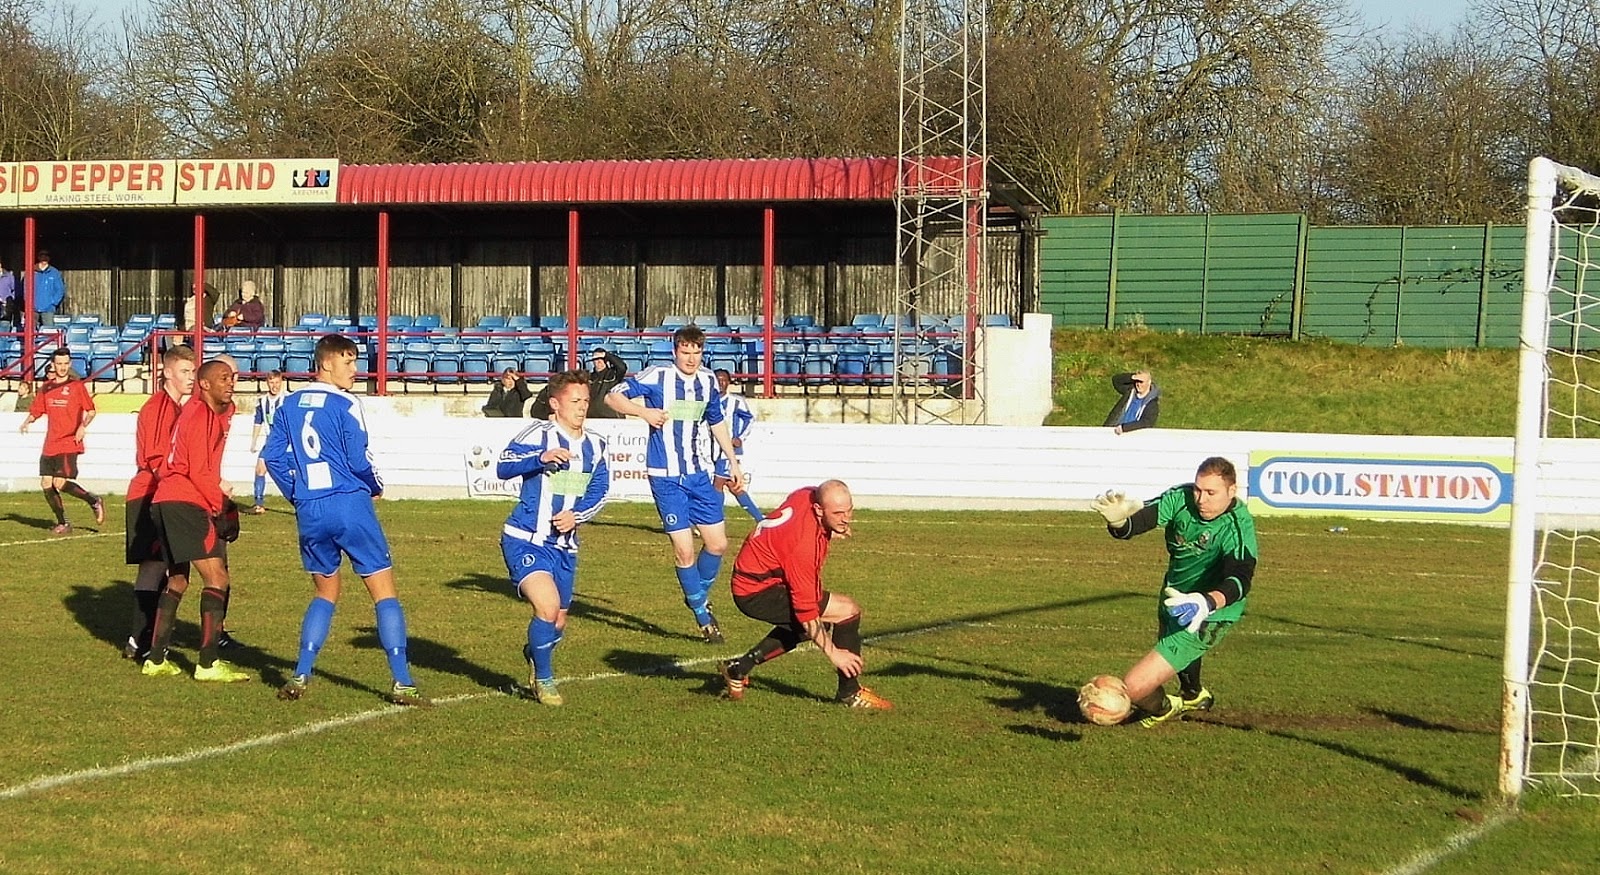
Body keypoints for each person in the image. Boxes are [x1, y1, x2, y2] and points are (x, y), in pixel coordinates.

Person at [262, 333, 429, 705]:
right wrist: (374, 485)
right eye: (348, 362)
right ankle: (402, 681)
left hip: (310, 509)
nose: (356, 369)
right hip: (348, 503)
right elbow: (357, 459)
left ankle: (302, 673)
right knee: (384, 592)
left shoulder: (287, 404)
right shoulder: (347, 403)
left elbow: (273, 458)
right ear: (326, 364)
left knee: (325, 592)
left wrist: (298, 494)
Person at [1090, 456, 1258, 727]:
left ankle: (1166, 707)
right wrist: (1120, 523)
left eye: (1211, 493)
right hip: (1173, 594)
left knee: (1132, 688)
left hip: (1212, 612)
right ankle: (1193, 694)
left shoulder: (1237, 526)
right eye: (1198, 489)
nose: (1201, 499)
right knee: (1176, 648)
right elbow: (1139, 523)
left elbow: (1240, 579)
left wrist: (1206, 603)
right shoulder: (1180, 497)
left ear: (1231, 491)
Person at [605, 324, 744, 643]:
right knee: (684, 551)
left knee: (718, 544)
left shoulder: (709, 380)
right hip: (665, 476)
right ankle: (703, 617)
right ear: (675, 351)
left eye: (697, 352)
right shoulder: (657, 377)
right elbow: (613, 397)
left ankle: (695, 594)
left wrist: (733, 461)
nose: (692, 358)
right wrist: (643, 412)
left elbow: (716, 421)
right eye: (686, 352)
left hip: (699, 473)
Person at [718, 480, 892, 710]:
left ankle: (738, 668)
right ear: (819, 510)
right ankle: (850, 694)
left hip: (759, 578)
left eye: (849, 511)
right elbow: (807, 613)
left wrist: (834, 525)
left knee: (817, 624)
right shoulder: (803, 547)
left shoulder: (807, 496)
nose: (846, 518)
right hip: (756, 591)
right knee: (845, 612)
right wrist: (835, 654)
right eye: (838, 513)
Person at [495, 369, 611, 706]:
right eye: (575, 401)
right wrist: (539, 458)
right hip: (525, 539)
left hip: (565, 547)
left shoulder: (596, 445)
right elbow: (503, 466)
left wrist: (577, 516)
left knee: (558, 620)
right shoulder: (538, 434)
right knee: (546, 608)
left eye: (586, 401)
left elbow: (601, 490)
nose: (582, 407)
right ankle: (543, 680)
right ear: (555, 404)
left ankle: (535, 652)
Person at [141, 359, 251, 682]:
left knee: (177, 580)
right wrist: (221, 507)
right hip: (184, 502)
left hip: (165, 500)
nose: (230, 383)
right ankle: (208, 663)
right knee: (217, 578)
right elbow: (199, 471)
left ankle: (156, 658)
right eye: (222, 378)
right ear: (204, 384)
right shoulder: (202, 414)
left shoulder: (196, 411)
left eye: (232, 378)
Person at [122, 344, 198, 662]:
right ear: (167, 372)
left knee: (166, 568)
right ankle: (140, 639)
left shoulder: (182, 408)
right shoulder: (158, 409)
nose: (191, 377)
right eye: (185, 371)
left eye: (194, 371)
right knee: (155, 567)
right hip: (150, 493)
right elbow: (154, 458)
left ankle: (144, 638)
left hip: (165, 494)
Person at [19, 347, 102, 534]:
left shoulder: (77, 387)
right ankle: (63, 522)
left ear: (70, 364)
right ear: (53, 365)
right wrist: (27, 421)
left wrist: (83, 426)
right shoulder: (46, 388)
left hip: (69, 441)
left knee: (59, 482)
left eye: (66, 364)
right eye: (59, 364)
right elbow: (37, 410)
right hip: (51, 443)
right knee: (46, 483)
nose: (63, 367)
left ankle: (94, 500)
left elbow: (91, 410)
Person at [710, 368, 763, 522]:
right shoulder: (708, 400)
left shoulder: (736, 401)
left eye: (724, 380)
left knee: (718, 483)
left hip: (729, 451)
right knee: (733, 486)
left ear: (729, 382)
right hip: (711, 449)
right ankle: (760, 519)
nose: (721, 383)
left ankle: (716, 520)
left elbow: (749, 419)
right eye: (717, 380)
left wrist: (740, 437)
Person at [249, 369, 288, 513]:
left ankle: (301, 502)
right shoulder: (262, 401)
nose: (274, 386)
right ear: (267, 383)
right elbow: (258, 421)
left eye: (277, 382)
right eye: (271, 382)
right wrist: (254, 441)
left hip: (286, 443)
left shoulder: (287, 400)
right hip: (270, 442)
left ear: (281, 382)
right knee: (260, 469)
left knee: (294, 473)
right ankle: (258, 504)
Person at [1103, 370, 1160, 434]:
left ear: (1149, 383)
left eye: (1141, 382)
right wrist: (1132, 377)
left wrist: (1124, 428)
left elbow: (1146, 422)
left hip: (1133, 435)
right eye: (1136, 381)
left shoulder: (1152, 404)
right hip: (1113, 429)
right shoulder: (1130, 391)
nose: (1138, 384)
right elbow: (1116, 380)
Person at [32, 250, 65, 324]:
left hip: (48, 309)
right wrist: (29, 302)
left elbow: (60, 289)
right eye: (42, 255)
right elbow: (26, 288)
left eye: (46, 256)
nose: (44, 258)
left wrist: (53, 302)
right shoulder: (31, 271)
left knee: (49, 331)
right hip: (33, 308)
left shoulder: (54, 272)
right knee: (31, 331)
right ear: (38, 257)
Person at [0, 256, 17, 324]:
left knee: (4, 327)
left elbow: (16, 290)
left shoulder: (9, 277)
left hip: (5, 308)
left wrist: (9, 300)